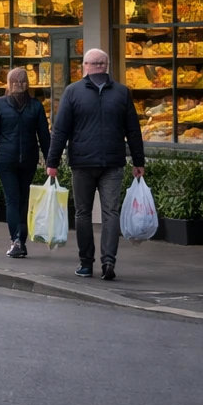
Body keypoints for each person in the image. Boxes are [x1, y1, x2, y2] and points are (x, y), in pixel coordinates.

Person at [46, 47, 144, 281]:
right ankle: (108, 261)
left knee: (83, 213)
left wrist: (53, 162)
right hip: (113, 162)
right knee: (111, 212)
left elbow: (60, 131)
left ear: (87, 66)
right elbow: (133, 130)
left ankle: (86, 264)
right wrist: (139, 161)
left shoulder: (72, 92)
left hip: (82, 163)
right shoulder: (122, 92)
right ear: (106, 66)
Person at [0, 67, 50, 258]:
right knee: (23, 200)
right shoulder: (36, 106)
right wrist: (51, 161)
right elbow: (44, 136)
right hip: (29, 158)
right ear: (27, 83)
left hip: (5, 158)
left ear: (9, 84)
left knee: (12, 199)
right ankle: (22, 239)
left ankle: (16, 241)